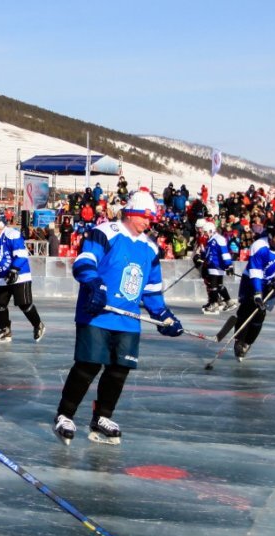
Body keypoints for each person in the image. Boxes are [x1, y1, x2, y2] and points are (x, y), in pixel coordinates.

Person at [52, 189, 182, 446]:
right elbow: (84, 262)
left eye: (151, 218)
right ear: (131, 213)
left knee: (119, 370)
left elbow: (151, 289)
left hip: (128, 320)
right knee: (88, 366)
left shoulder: (150, 248)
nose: (148, 222)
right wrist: (94, 284)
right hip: (97, 315)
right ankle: (65, 414)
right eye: (145, 216)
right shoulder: (105, 233)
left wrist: (163, 315)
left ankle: (102, 416)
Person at [231, 218, 275, 361]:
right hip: (251, 281)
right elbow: (255, 271)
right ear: (270, 235)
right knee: (245, 311)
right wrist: (257, 293)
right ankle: (239, 341)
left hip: (271, 283)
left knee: (260, 314)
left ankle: (247, 343)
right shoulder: (259, 246)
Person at [0, 214, 45, 342]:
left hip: (19, 275)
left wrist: (14, 269)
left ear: (0, 225)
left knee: (24, 304)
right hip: (3, 277)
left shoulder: (12, 235)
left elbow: (22, 255)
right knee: (0, 304)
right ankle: (5, 330)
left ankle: (38, 324)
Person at [199, 220, 235, 313]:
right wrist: (201, 255)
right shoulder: (211, 240)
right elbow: (208, 254)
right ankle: (229, 302)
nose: (205, 234)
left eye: (206, 232)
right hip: (212, 265)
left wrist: (229, 265)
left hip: (217, 266)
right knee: (218, 286)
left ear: (210, 231)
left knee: (214, 286)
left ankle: (214, 304)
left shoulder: (218, 239)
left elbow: (225, 252)